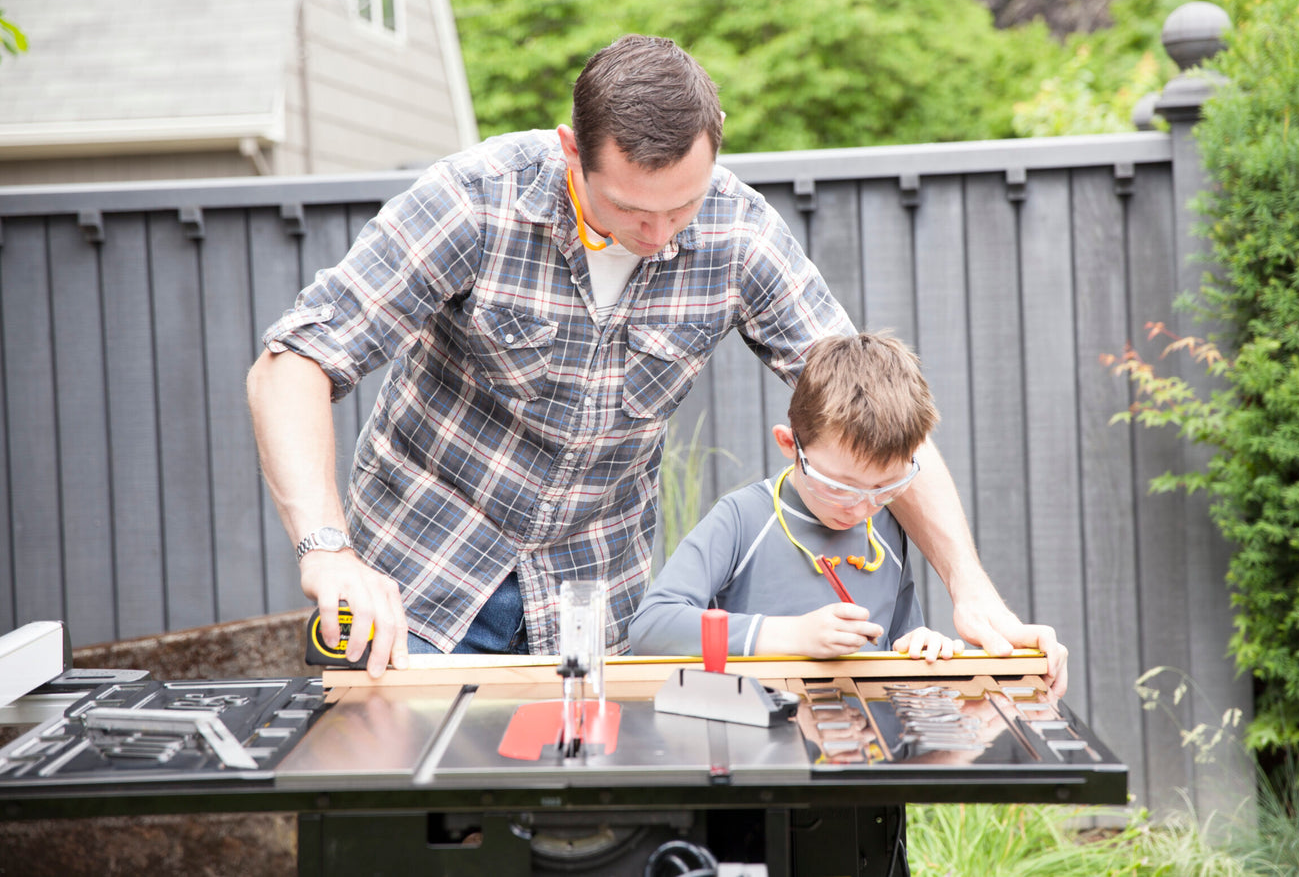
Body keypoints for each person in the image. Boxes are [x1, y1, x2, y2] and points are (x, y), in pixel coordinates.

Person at [247, 34, 1066, 692]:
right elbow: (294, 362)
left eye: (685, 204)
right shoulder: (476, 199)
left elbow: (866, 404)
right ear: (573, 151)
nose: (663, 233)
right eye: (635, 210)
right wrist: (328, 552)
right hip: (421, 580)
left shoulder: (738, 232)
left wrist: (968, 585)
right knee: (419, 831)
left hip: (593, 599)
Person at [630, 333, 966, 662]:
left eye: (885, 488)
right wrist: (791, 636)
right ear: (790, 445)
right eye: (839, 487)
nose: (862, 508)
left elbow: (898, 639)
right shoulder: (743, 519)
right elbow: (652, 627)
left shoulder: (886, 526)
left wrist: (920, 645)